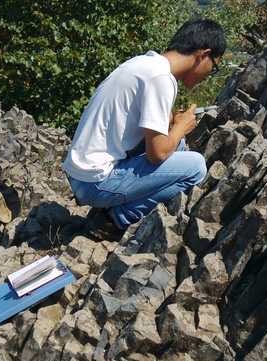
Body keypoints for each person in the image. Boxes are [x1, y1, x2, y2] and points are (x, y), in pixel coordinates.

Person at [62, 18, 226, 240]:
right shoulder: (161, 79)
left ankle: (111, 206)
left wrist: (172, 124)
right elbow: (156, 154)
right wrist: (182, 126)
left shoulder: (146, 64)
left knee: (176, 145)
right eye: (213, 68)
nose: (209, 75)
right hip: (94, 182)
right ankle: (114, 219)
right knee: (195, 167)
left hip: (81, 173)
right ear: (203, 55)